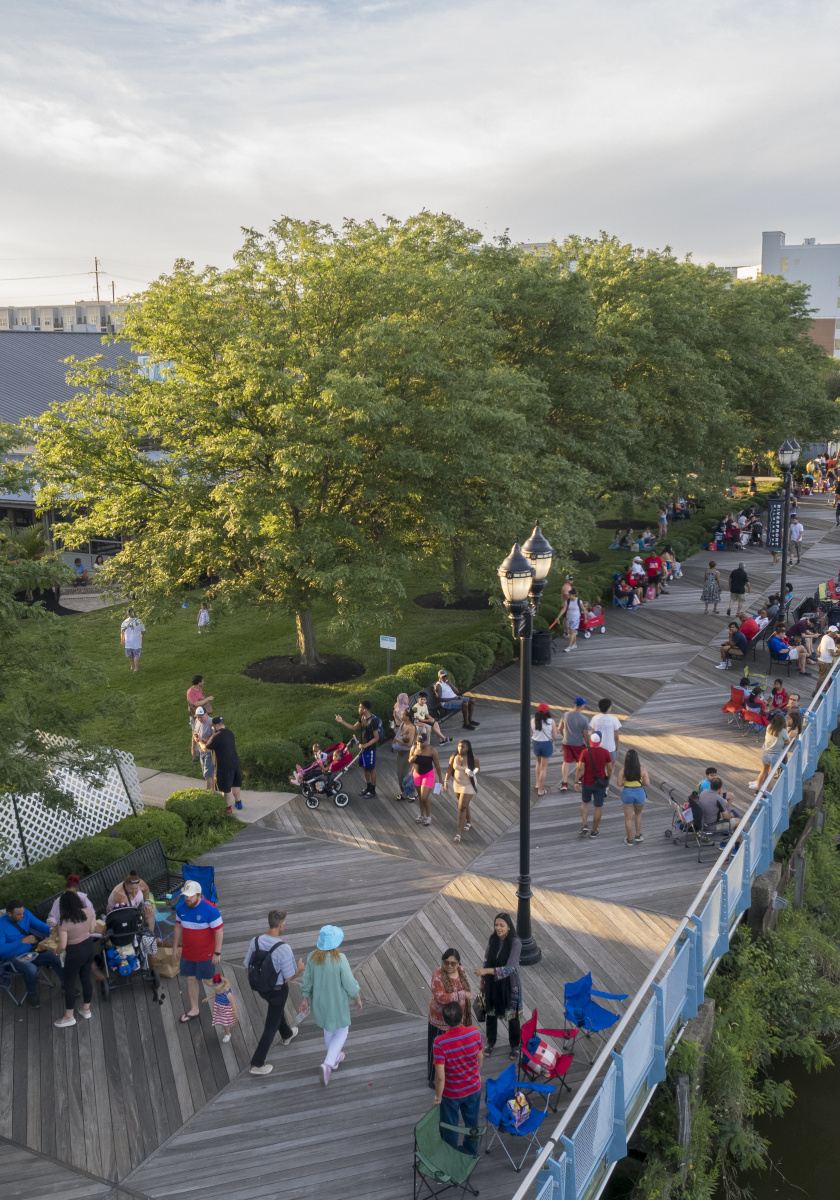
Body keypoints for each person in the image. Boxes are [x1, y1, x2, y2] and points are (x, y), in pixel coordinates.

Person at [298, 924, 362, 1086]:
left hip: (319, 1003)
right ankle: (328, 1063)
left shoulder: (312, 957)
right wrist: (356, 996)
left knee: (328, 1029)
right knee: (342, 1031)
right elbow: (349, 982)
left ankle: (334, 1059)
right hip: (337, 1003)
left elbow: (307, 980)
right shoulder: (340, 960)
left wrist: (305, 998)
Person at [245, 908, 305, 1075]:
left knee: (276, 1011)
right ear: (280, 925)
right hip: (277, 991)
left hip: (261, 988)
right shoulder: (284, 948)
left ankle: (286, 1034)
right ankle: (256, 1063)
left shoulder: (255, 941)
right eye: (284, 923)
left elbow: (246, 967)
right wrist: (299, 970)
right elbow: (288, 978)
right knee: (270, 1026)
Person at [432, 1000, 484, 1156]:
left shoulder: (439, 1042)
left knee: (450, 1125)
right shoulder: (475, 1033)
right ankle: (470, 1152)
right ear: (462, 1017)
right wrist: (474, 1072)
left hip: (451, 1093)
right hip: (473, 1087)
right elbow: (480, 1058)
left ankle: (451, 1155)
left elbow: (440, 1076)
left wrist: (437, 1097)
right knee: (472, 1122)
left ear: (444, 1021)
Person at [173, 878, 223, 1023]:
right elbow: (178, 926)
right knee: (190, 979)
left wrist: (217, 953)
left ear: (199, 895)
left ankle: (226, 991)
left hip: (205, 954)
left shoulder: (211, 910)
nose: (187, 899)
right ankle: (194, 1009)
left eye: (191, 896)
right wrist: (175, 946)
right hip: (188, 953)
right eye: (186, 896)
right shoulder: (181, 908)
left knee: (208, 981)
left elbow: (219, 931)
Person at [473, 912, 522, 1059]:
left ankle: (515, 1045)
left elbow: (510, 967)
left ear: (508, 927)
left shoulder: (515, 942)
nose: (498, 928)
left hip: (510, 984)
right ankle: (491, 1042)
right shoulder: (493, 939)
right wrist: (482, 980)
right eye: (496, 925)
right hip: (492, 983)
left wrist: (486, 971)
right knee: (491, 1013)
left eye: (502, 925)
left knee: (512, 1016)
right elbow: (487, 959)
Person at [0, 900, 63, 1007]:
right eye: (18, 914)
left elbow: (38, 924)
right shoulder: (1, 925)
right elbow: (1, 949)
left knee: (54, 956)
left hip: (31, 953)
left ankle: (66, 985)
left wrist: (50, 929)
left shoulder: (25, 913)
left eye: (23, 913)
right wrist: (22, 941)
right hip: (12, 959)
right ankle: (31, 994)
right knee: (31, 969)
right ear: (9, 914)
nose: (22, 916)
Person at [427, 950, 474, 1085]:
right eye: (446, 962)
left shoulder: (462, 971)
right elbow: (441, 997)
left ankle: (449, 1076)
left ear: (458, 963)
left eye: (453, 963)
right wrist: (462, 994)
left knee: (453, 1050)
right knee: (437, 1050)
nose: (449, 966)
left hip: (457, 1019)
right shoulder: (437, 975)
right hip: (440, 1020)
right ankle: (433, 1079)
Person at [53, 890, 97, 1028]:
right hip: (89, 948)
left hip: (74, 953)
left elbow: (63, 945)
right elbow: (91, 930)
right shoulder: (89, 911)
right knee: (85, 978)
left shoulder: (64, 922)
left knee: (70, 983)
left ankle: (69, 1016)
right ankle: (86, 1009)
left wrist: (56, 951)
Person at [336, 699, 385, 797]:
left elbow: (376, 737)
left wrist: (365, 745)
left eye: (360, 707)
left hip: (369, 749)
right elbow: (354, 727)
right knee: (365, 768)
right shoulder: (362, 717)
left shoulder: (373, 721)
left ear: (365, 709)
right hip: (362, 748)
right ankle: (368, 787)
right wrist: (342, 721)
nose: (358, 708)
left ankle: (373, 790)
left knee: (371, 769)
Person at [573, 729, 613, 838]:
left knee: (585, 803)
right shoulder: (605, 752)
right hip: (600, 784)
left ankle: (585, 824)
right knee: (598, 807)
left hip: (587, 783)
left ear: (590, 741)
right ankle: (594, 831)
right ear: (600, 741)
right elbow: (610, 768)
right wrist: (608, 779)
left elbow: (579, 767)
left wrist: (576, 781)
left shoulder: (585, 752)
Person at [202, 717, 243, 812]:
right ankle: (239, 803)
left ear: (216, 726)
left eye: (212, 727)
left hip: (224, 766)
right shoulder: (230, 733)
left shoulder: (216, 736)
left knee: (226, 788)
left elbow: (206, 749)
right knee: (235, 784)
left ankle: (227, 808)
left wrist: (199, 742)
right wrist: (206, 740)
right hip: (235, 763)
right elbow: (218, 744)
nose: (212, 728)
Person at [444, 739, 480, 841]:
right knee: (464, 804)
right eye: (459, 746)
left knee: (461, 807)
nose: (460, 748)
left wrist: (473, 772)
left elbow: (477, 768)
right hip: (457, 784)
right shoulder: (454, 756)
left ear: (467, 748)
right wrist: (446, 781)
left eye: (462, 747)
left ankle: (458, 834)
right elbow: (450, 769)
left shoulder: (473, 758)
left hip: (468, 784)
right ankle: (469, 822)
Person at [749, 712, 790, 792]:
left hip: (766, 753)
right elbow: (788, 741)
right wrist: (782, 743)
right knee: (771, 775)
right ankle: (767, 791)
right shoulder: (783, 731)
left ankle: (758, 789)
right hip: (775, 755)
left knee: (763, 772)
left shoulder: (769, 727)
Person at [409, 732, 444, 826]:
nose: (420, 744)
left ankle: (428, 816)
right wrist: (413, 757)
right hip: (417, 774)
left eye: (422, 742)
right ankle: (421, 814)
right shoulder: (414, 748)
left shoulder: (432, 751)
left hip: (428, 774)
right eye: (418, 742)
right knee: (420, 796)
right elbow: (410, 760)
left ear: (426, 741)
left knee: (424, 797)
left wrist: (440, 778)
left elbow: (437, 766)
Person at [617, 748, 649, 845]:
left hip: (627, 792)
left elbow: (619, 784)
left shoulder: (623, 770)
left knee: (628, 818)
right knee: (638, 814)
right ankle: (638, 835)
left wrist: (625, 782)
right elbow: (647, 783)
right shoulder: (643, 770)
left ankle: (629, 839)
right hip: (639, 792)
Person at [559, 697, 589, 792]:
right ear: (582, 706)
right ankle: (579, 778)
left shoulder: (566, 714)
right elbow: (585, 735)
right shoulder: (584, 719)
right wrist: (588, 745)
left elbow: (559, 728)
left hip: (566, 743)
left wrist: (564, 735)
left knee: (566, 762)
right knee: (580, 762)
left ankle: (564, 783)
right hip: (578, 744)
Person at [390, 704, 417, 802]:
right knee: (399, 774)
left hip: (407, 753)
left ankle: (412, 792)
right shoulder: (403, 724)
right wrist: (393, 727)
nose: (401, 716)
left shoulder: (411, 727)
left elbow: (409, 743)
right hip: (400, 752)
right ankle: (404, 793)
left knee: (404, 774)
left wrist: (398, 740)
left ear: (407, 717)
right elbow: (398, 734)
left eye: (402, 715)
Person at [530, 703, 557, 796]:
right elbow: (555, 736)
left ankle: (537, 784)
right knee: (544, 768)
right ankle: (540, 790)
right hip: (546, 744)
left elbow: (531, 733)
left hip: (536, 743)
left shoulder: (532, 720)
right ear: (547, 711)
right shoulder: (551, 722)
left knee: (538, 763)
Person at [203, 972, 238, 1042]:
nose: (218, 992)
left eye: (219, 990)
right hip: (219, 1009)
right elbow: (215, 994)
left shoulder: (228, 995)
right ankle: (225, 1028)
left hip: (226, 1011)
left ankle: (227, 1034)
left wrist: (235, 1014)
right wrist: (209, 997)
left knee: (226, 1024)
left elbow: (233, 1005)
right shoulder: (218, 991)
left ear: (224, 986)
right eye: (216, 990)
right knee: (222, 1021)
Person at [192, 706, 216, 789]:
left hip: (209, 752)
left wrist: (202, 740)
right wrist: (193, 748)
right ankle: (213, 792)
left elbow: (215, 741)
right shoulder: (197, 721)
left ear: (206, 714)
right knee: (207, 775)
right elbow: (194, 734)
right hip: (201, 750)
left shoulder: (211, 724)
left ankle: (209, 793)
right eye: (198, 717)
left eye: (201, 717)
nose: (199, 719)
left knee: (208, 775)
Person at [120, 607, 145, 672]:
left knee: (130, 655)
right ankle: (136, 668)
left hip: (128, 641)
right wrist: (142, 637)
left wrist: (122, 639)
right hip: (136, 640)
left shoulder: (125, 622)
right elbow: (143, 631)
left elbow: (122, 632)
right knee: (136, 654)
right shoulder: (139, 621)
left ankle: (132, 666)